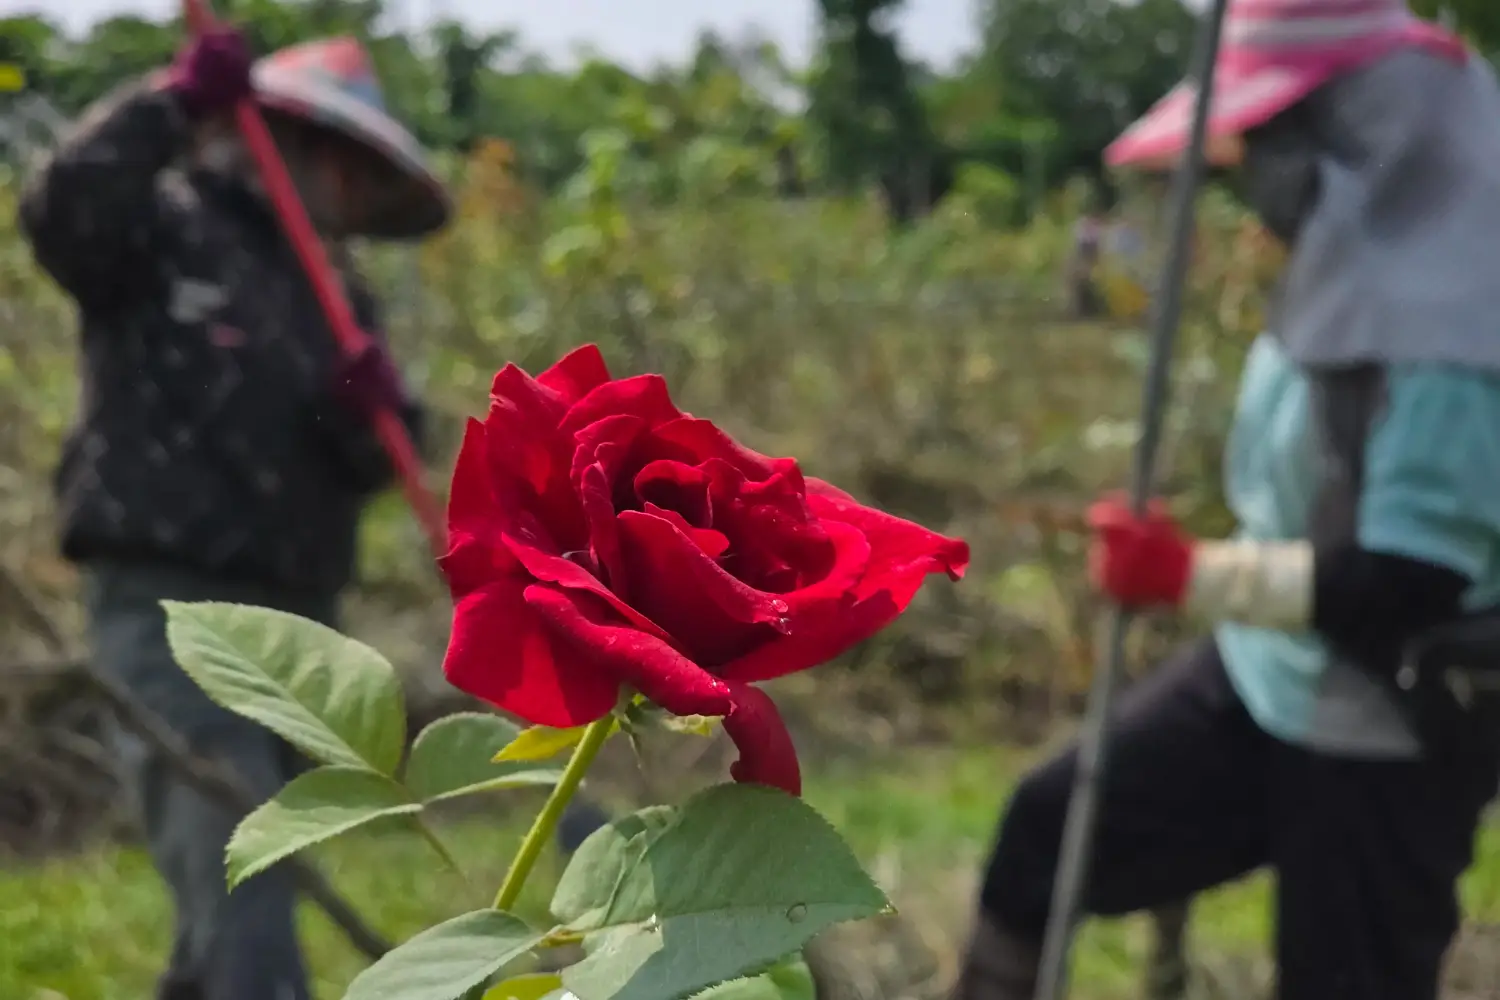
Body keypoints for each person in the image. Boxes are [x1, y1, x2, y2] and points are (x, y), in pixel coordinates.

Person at [953, 1, 1500, 998]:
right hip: (1266, 675)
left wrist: (1191, 574)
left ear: (1355, 140)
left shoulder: (1453, 336)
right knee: (1048, 835)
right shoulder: (1349, 272)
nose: (1250, 171)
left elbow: (1412, 578)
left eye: (1269, 139)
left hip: (1390, 730)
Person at [19, 27, 446, 1000]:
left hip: (298, 619)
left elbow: (377, 461)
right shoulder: (162, 229)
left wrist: (371, 414)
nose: (351, 193)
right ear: (277, 142)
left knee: (245, 875)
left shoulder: (336, 298)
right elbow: (64, 209)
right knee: (236, 849)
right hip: (171, 607)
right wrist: (169, 103)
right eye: (338, 161)